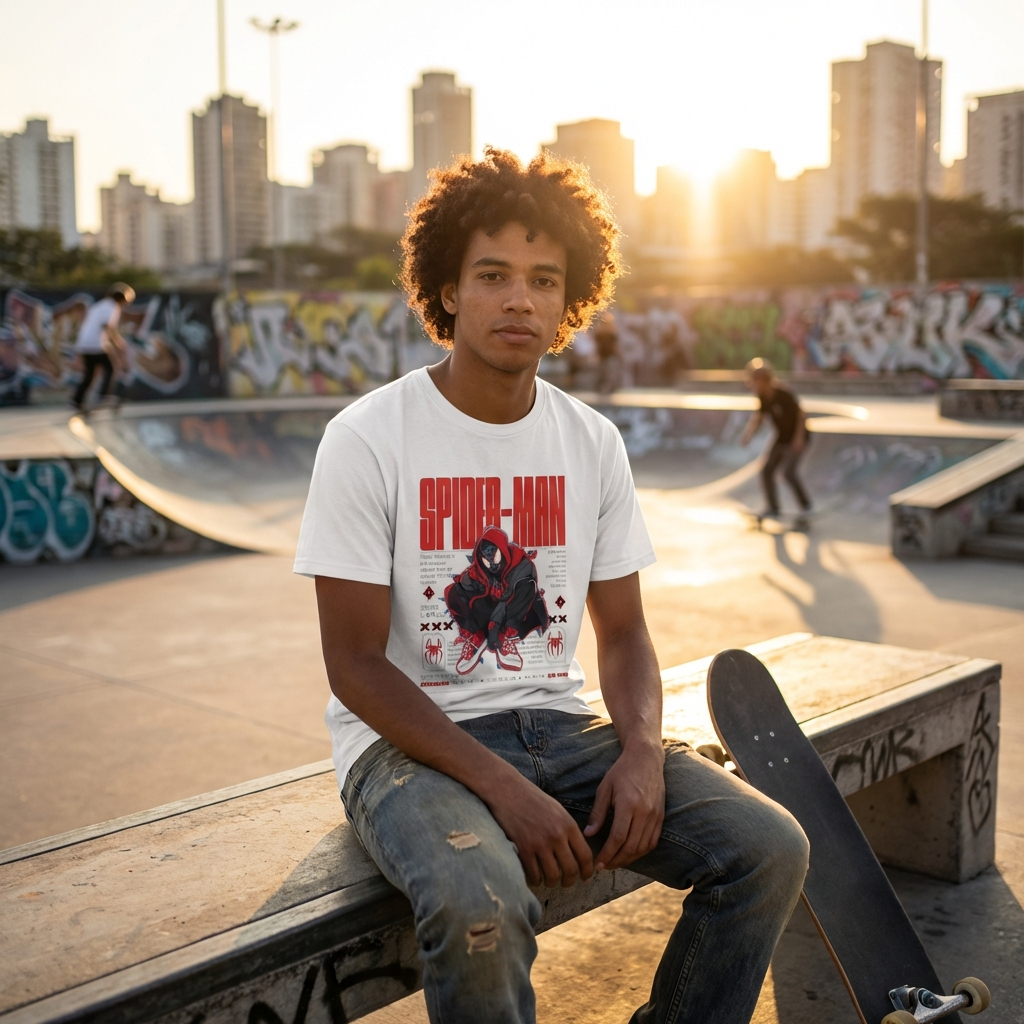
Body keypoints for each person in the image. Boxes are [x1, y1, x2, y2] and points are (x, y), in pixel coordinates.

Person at [296, 148, 808, 1024]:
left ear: (570, 302)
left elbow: (627, 634)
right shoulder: (370, 437)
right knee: (482, 908)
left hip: (563, 730)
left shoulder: (591, 441)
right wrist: (503, 789)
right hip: (411, 751)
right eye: (492, 275)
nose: (519, 299)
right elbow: (352, 664)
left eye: (543, 279)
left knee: (769, 848)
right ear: (448, 290)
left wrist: (644, 754)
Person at [740, 357, 812, 520]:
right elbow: (759, 417)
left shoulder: (783, 393)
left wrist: (798, 439)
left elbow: (801, 415)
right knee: (767, 472)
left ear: (765, 381)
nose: (754, 387)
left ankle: (806, 506)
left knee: (788, 473)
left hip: (797, 436)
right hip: (781, 438)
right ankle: (773, 507)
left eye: (756, 383)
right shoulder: (763, 397)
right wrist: (748, 435)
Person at [71, 283, 135, 412]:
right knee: (111, 367)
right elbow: (107, 326)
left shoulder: (99, 305)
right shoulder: (112, 307)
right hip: (95, 343)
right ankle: (103, 395)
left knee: (89, 374)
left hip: (84, 343)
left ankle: (76, 400)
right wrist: (118, 342)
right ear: (121, 300)